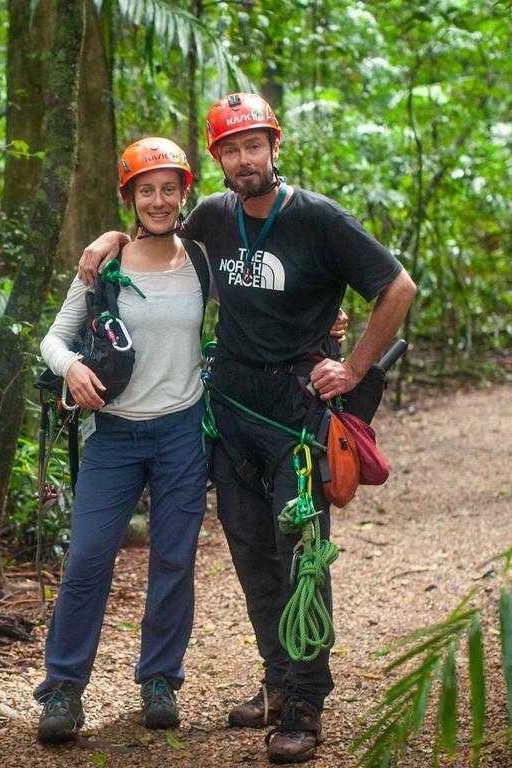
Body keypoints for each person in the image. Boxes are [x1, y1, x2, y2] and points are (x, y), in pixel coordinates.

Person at [77, 93, 416, 764]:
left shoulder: (319, 220)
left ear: (274, 147)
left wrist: (351, 367)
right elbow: (157, 239)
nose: (243, 158)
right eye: (230, 149)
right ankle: (277, 684)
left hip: (296, 416)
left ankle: (308, 706)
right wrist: (111, 238)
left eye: (253, 145)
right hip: (230, 412)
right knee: (252, 557)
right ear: (218, 160)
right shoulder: (212, 215)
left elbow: (397, 287)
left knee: (302, 560)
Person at [34, 137, 209, 744]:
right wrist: (71, 369)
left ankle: (160, 678)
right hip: (114, 434)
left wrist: (332, 323)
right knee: (86, 561)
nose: (158, 200)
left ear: (185, 192)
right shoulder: (101, 266)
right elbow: (54, 340)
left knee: (173, 559)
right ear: (130, 198)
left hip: (183, 430)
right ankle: (63, 688)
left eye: (169, 188)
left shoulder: (204, 260)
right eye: (146, 190)